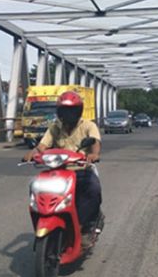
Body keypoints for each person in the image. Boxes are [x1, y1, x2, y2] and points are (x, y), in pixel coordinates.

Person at [23, 91, 103, 242]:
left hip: (81, 170)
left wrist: (93, 155)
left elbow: (95, 144)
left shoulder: (88, 126)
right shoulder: (54, 127)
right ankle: (44, 216)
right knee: (35, 186)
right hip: (58, 172)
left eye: (72, 110)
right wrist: (32, 153)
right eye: (65, 111)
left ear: (78, 111)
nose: (68, 114)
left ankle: (84, 226)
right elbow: (42, 146)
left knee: (93, 190)